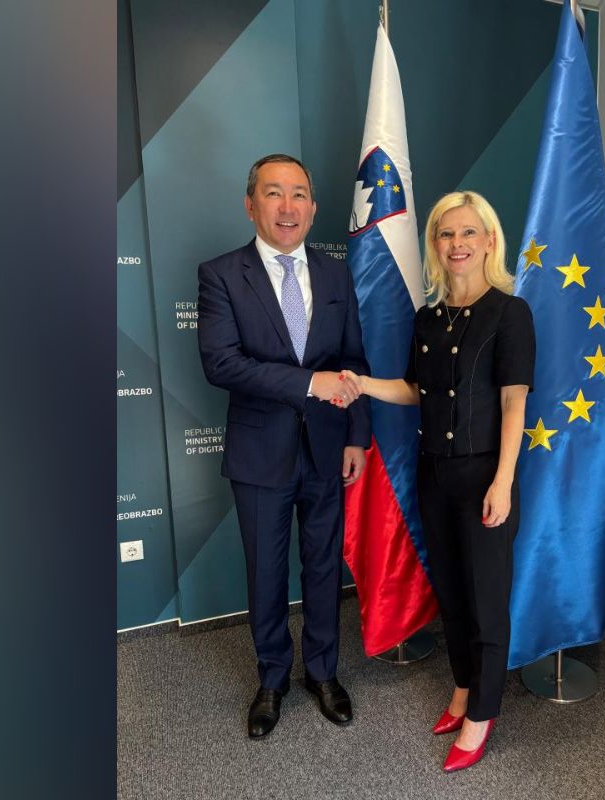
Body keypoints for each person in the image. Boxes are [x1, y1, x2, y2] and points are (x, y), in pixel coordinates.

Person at [341, 191, 534, 772]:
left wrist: (502, 481)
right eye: (446, 234)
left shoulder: (510, 313)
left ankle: (483, 714)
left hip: (484, 476)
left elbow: (514, 403)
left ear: (489, 241)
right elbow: (415, 391)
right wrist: (362, 384)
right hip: (435, 475)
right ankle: (463, 687)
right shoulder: (428, 318)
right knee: (451, 593)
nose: (457, 244)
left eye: (468, 232)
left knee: (487, 601)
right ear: (434, 244)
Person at [197, 154, 370, 739]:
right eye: (274, 193)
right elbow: (222, 364)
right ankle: (272, 678)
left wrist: (357, 436)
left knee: (322, 568)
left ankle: (322, 672)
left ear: (313, 207)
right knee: (266, 573)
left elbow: (354, 360)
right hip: (259, 454)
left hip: (327, 448)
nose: (288, 206)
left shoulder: (336, 274)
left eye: (299, 194)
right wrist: (307, 384)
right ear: (251, 205)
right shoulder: (221, 274)